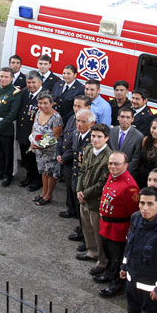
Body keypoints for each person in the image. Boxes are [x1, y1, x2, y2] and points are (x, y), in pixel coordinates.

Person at [96, 151, 140, 297]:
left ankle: (116, 284)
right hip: (106, 225)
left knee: (117, 258)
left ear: (126, 166)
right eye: (110, 163)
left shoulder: (129, 186)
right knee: (109, 255)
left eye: (116, 164)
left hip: (118, 229)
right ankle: (109, 274)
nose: (112, 166)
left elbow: (133, 212)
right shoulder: (113, 176)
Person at [75, 122, 111, 276]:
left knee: (97, 232)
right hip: (83, 196)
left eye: (99, 137)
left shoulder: (108, 157)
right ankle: (91, 252)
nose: (95, 140)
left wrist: (85, 193)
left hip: (95, 199)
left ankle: (102, 261)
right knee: (87, 227)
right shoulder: (89, 149)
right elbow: (82, 169)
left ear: (106, 138)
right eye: (93, 136)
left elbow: (101, 184)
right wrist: (78, 189)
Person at [0, 68, 21, 187]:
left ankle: (8, 175)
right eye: (1, 76)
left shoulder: (15, 92)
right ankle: (0, 171)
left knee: (8, 153)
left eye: (6, 77)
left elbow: (12, 114)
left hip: (6, 128)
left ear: (12, 78)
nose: (3, 79)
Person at [58, 96, 92, 218]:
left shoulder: (91, 129)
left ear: (88, 108)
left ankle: (80, 219)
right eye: (74, 105)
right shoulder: (72, 118)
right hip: (68, 163)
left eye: (79, 106)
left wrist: (64, 157)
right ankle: (71, 209)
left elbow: (78, 149)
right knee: (69, 188)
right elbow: (63, 136)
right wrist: (59, 153)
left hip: (76, 164)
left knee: (78, 193)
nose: (76, 108)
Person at [66, 108, 95, 243]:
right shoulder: (76, 133)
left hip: (86, 180)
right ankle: (81, 229)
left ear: (91, 123)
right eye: (78, 120)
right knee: (79, 208)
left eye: (83, 121)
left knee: (86, 210)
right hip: (76, 175)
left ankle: (87, 239)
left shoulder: (93, 139)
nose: (79, 124)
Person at [30, 93, 63, 205]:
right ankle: (43, 193)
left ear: (51, 103)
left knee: (50, 173)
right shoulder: (38, 112)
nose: (42, 106)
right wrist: (32, 140)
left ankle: (48, 195)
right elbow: (34, 127)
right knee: (43, 171)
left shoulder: (56, 117)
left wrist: (39, 145)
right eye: (40, 103)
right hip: (39, 150)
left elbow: (55, 137)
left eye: (45, 103)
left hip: (51, 151)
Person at [16, 70, 43, 192]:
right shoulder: (24, 92)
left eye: (33, 82)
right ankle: (29, 176)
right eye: (28, 82)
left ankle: (37, 180)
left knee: (35, 158)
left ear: (40, 82)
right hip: (23, 130)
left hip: (37, 134)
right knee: (25, 156)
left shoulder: (45, 96)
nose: (31, 85)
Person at [134, 118, 157, 188]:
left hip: (155, 182)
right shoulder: (146, 140)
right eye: (153, 128)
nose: (155, 131)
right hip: (140, 177)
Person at [109, 106, 143, 174]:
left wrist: (122, 171)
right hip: (110, 169)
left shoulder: (138, 136)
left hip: (127, 172)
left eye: (128, 117)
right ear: (118, 118)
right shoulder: (111, 132)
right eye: (122, 117)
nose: (124, 120)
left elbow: (136, 159)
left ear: (132, 119)